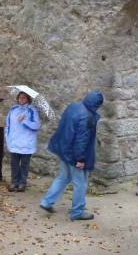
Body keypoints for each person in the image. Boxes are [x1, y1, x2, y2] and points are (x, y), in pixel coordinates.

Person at [39, 91, 104, 221]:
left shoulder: (74, 106)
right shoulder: (88, 117)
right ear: (97, 104)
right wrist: (80, 159)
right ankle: (77, 212)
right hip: (74, 155)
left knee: (63, 177)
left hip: (64, 150)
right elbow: (81, 140)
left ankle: (46, 202)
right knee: (81, 183)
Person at [5, 91, 41, 192]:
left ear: (28, 99)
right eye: (20, 97)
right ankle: (14, 182)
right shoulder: (13, 109)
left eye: (24, 97)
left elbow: (37, 126)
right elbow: (8, 125)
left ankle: (22, 183)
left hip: (26, 143)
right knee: (14, 164)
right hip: (14, 142)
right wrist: (7, 137)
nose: (21, 99)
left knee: (24, 165)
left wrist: (25, 121)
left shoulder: (32, 110)